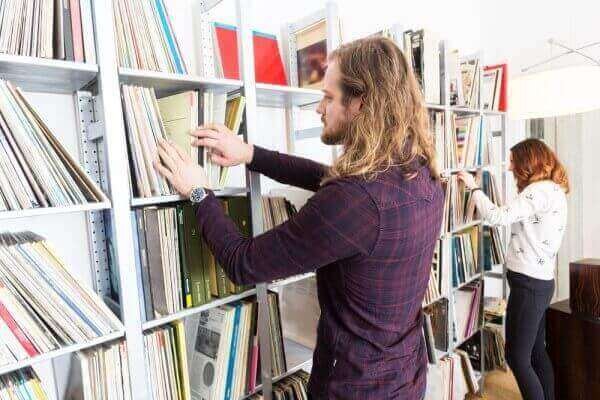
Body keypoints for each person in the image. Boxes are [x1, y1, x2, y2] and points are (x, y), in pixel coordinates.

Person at [155, 36, 444, 399]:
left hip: (354, 389)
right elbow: (328, 178)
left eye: (328, 96)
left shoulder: (356, 201)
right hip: (406, 376)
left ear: (359, 103)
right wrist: (249, 154)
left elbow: (244, 264)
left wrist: (198, 192)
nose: (318, 108)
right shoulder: (424, 175)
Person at [458, 139, 569, 400]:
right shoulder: (552, 189)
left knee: (517, 358)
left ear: (527, 162)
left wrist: (474, 187)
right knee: (535, 352)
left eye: (512, 162)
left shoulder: (538, 192)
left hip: (529, 284)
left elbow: (497, 216)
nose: (509, 168)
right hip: (540, 282)